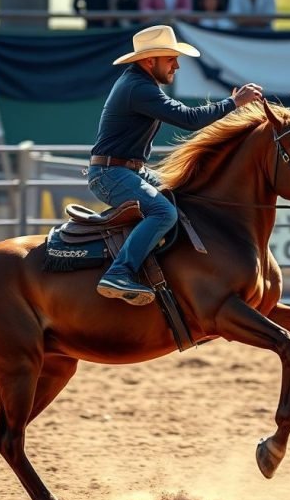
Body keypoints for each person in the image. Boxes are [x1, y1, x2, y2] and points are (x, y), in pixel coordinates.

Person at [88, 25, 263, 305]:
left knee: (185, 196)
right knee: (162, 213)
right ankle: (119, 272)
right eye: (171, 59)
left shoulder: (138, 83)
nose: (177, 66)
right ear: (149, 61)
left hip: (125, 170)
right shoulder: (138, 88)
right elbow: (188, 119)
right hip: (111, 174)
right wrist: (233, 102)